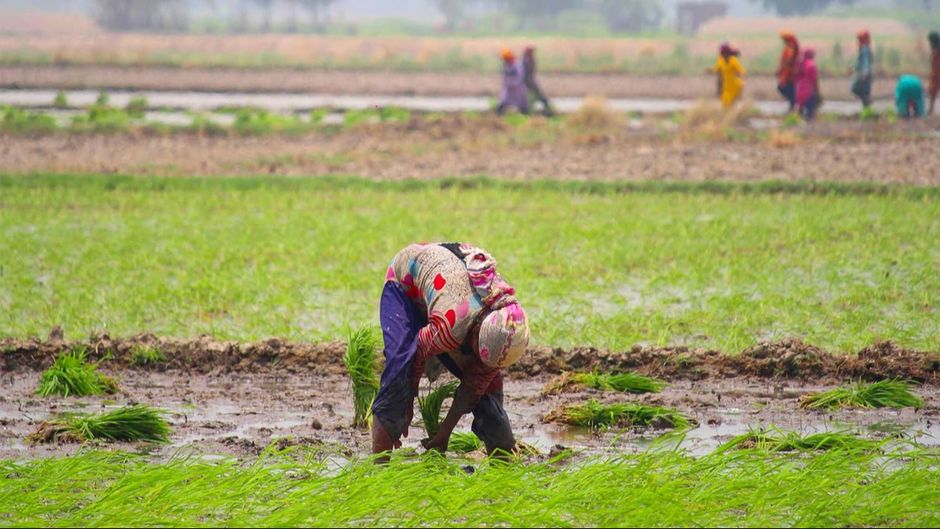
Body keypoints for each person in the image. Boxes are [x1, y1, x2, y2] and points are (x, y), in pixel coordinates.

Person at [371, 242, 530, 458]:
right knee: (401, 365)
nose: (479, 365)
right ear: (476, 335)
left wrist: (444, 433)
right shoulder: (450, 327)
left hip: (446, 297)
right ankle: (379, 468)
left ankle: (501, 455)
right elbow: (418, 350)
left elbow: (473, 386)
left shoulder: (507, 321)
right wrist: (407, 402)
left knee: (488, 384)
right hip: (406, 285)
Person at [522, 46, 554, 117]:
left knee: (534, 95)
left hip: (528, 80)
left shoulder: (528, 59)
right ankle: (546, 108)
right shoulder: (527, 60)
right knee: (537, 95)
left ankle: (528, 110)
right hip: (528, 80)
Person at [496, 48, 529, 116]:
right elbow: (504, 75)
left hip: (518, 87)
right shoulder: (505, 65)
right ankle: (498, 115)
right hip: (508, 87)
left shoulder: (517, 64)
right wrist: (507, 83)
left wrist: (514, 83)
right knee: (504, 100)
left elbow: (520, 76)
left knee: (521, 102)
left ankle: (526, 115)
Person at [712, 42, 745, 108]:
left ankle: (733, 117)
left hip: (735, 86)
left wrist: (741, 82)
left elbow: (741, 72)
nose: (723, 55)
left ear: (728, 53)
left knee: (730, 105)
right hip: (726, 87)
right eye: (722, 54)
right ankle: (729, 117)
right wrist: (709, 71)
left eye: (724, 54)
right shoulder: (720, 60)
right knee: (725, 105)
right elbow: (716, 69)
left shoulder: (733, 61)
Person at [777, 30, 801, 112]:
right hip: (788, 72)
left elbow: (789, 60)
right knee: (789, 89)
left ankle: (793, 104)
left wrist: (785, 67)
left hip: (789, 73)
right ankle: (793, 104)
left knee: (784, 87)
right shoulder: (791, 46)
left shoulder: (791, 47)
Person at [851, 30, 874, 109]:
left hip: (865, 74)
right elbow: (861, 62)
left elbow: (865, 62)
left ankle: (867, 106)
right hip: (867, 74)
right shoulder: (865, 49)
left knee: (855, 89)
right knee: (865, 93)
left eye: (859, 39)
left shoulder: (864, 49)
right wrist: (854, 68)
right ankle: (867, 109)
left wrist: (864, 73)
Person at [796, 48, 820, 120]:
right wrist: (817, 90)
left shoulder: (801, 63)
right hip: (808, 91)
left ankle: (798, 119)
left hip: (800, 90)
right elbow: (814, 79)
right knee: (810, 111)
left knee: (801, 108)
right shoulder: (812, 65)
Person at [929, 31, 940, 115]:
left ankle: (931, 109)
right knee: (933, 92)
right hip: (935, 75)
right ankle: (931, 109)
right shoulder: (935, 50)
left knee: (933, 92)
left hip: (937, 75)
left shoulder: (936, 51)